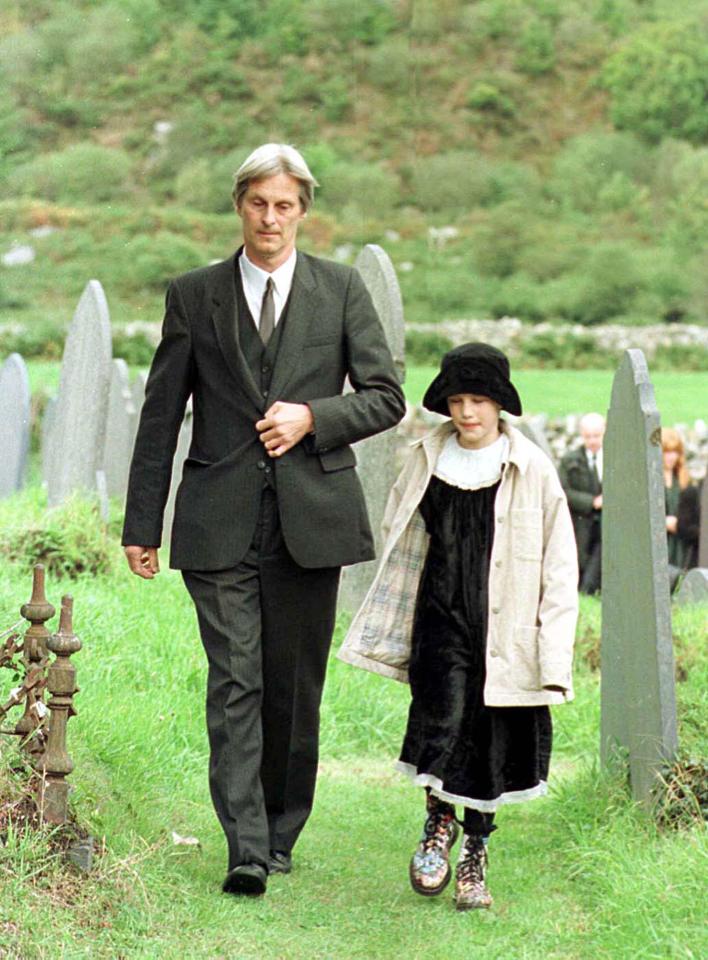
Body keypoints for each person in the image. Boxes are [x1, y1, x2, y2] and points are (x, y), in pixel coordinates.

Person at [121, 143, 406, 897]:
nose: (270, 218)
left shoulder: (340, 290)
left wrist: (314, 415)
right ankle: (244, 846)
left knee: (291, 687)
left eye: (284, 206)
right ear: (239, 206)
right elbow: (160, 415)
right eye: (257, 203)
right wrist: (141, 523)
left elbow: (385, 394)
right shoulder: (193, 294)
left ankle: (281, 831)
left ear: (303, 212)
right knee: (235, 680)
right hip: (217, 521)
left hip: (312, 521)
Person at [339, 343, 578, 911]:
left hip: (505, 627)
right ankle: (438, 825)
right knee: (440, 723)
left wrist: (553, 651)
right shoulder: (425, 458)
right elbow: (400, 534)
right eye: (458, 400)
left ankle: (476, 851)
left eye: (478, 400)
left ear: (499, 405)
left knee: (491, 741)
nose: (467, 412)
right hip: (437, 619)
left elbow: (560, 565)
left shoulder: (533, 470)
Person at [559, 413, 605, 594]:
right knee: (580, 559)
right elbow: (562, 491)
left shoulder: (615, 457)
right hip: (580, 521)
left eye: (596, 435)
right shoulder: (570, 460)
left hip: (606, 522)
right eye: (588, 436)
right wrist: (591, 502)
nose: (592, 441)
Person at [661, 427, 694, 577]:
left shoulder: (683, 479)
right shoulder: (651, 480)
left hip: (680, 539)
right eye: (666, 452)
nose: (670, 457)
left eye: (674, 452)